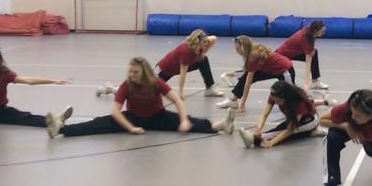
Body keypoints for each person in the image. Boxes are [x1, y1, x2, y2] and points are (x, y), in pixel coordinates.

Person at [46, 57, 235, 138]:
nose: (132, 74)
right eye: (130, 71)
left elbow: (177, 100)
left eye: (135, 72)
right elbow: (115, 111)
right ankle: (61, 130)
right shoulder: (127, 85)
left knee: (190, 123)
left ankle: (221, 125)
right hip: (133, 117)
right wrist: (131, 128)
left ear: (143, 72)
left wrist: (184, 120)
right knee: (97, 123)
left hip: (157, 116)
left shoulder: (155, 82)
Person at [238, 80, 334, 148]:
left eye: (279, 102)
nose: (276, 102)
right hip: (297, 119)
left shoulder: (298, 103)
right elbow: (264, 115)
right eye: (274, 101)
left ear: (286, 97)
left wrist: (271, 143)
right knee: (279, 128)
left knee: (280, 132)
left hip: (309, 121)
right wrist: (258, 129)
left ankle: (252, 140)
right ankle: (309, 133)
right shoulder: (274, 95)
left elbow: (290, 129)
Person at [217, 37, 295, 113]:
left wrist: (243, 104)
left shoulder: (253, 57)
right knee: (246, 76)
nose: (236, 51)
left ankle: (301, 104)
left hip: (285, 70)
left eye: (238, 49)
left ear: (244, 48)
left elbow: (247, 83)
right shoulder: (250, 53)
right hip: (270, 70)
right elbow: (247, 77)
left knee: (291, 94)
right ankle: (233, 100)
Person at [153, 29, 223, 99]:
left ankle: (209, 88)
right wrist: (180, 93)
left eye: (206, 41)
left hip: (176, 68)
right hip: (163, 70)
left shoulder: (201, 45)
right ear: (198, 42)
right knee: (151, 91)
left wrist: (203, 53)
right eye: (204, 42)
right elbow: (182, 75)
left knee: (203, 60)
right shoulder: (187, 52)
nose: (207, 44)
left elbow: (214, 38)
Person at [275, 20, 330, 91]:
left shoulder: (311, 30)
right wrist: (306, 83)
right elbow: (308, 63)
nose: (324, 33)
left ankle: (315, 82)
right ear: (316, 30)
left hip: (294, 52)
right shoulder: (305, 39)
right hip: (283, 54)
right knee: (288, 79)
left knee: (314, 53)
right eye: (322, 31)